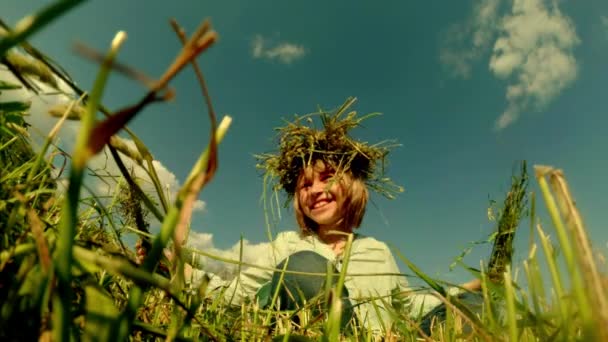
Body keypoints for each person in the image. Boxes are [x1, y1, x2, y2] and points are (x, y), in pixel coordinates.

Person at [181, 98, 480, 335]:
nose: (315, 190)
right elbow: (238, 294)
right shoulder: (288, 246)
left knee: (473, 306)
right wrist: (185, 275)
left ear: (352, 187)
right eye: (305, 185)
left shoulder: (377, 251)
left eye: (327, 178)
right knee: (306, 268)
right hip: (322, 331)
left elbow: (407, 306)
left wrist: (457, 294)